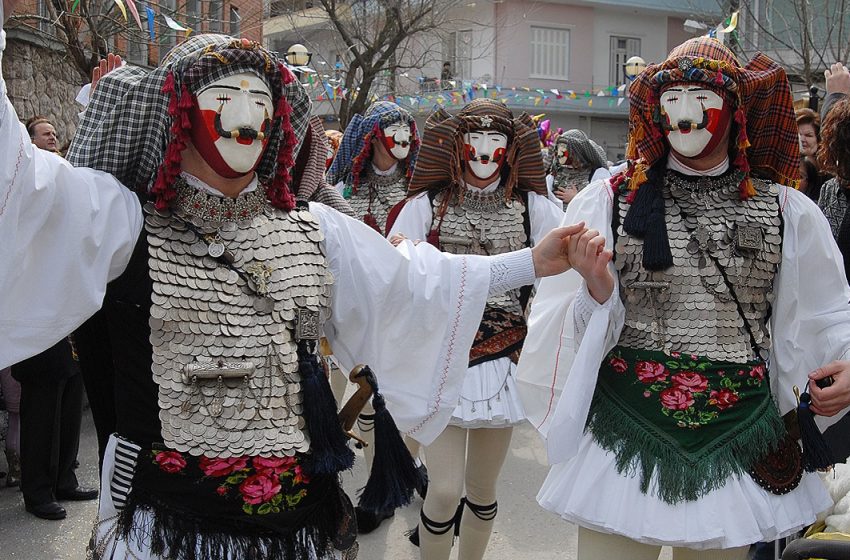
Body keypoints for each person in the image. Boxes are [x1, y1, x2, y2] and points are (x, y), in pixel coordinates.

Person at [0, 17, 582, 558]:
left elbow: (418, 282)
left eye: (261, 101)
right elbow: (22, 188)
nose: (245, 117)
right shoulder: (121, 220)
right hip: (167, 523)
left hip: (297, 523)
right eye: (224, 99)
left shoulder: (315, 228)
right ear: (178, 112)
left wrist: (533, 260)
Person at [517, 37, 850, 560]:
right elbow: (558, 323)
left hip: (736, 427)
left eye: (702, 96)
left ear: (735, 109)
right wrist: (599, 293)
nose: (686, 114)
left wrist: (847, 363)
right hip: (626, 424)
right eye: (673, 98)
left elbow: (828, 312)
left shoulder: (787, 210)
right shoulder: (610, 199)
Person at [388, 99, 563, 560]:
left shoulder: (534, 209)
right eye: (475, 139)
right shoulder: (426, 204)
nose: (485, 150)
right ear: (457, 146)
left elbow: (563, 274)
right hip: (443, 354)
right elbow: (397, 266)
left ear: (510, 149)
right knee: (444, 491)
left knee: (482, 492)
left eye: (496, 140)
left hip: (504, 360)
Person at [11, 339, 97, 520]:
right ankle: (37, 492)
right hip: (38, 334)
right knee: (41, 411)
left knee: (71, 399)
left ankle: (64, 480)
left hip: (67, 330)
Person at [327, 100, 419, 234]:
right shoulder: (345, 188)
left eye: (406, 130)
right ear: (373, 137)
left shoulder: (418, 189)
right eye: (394, 129)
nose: (403, 138)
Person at [547, 129, 611, 210]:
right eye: (559, 147)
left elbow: (602, 206)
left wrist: (576, 198)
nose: (560, 153)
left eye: (564, 148)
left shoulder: (597, 175)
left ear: (577, 152)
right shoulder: (554, 175)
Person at [0, 367, 20, 487]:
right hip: (15, 376)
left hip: (6, 377)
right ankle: (19, 469)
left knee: (14, 420)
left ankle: (15, 469)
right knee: (19, 420)